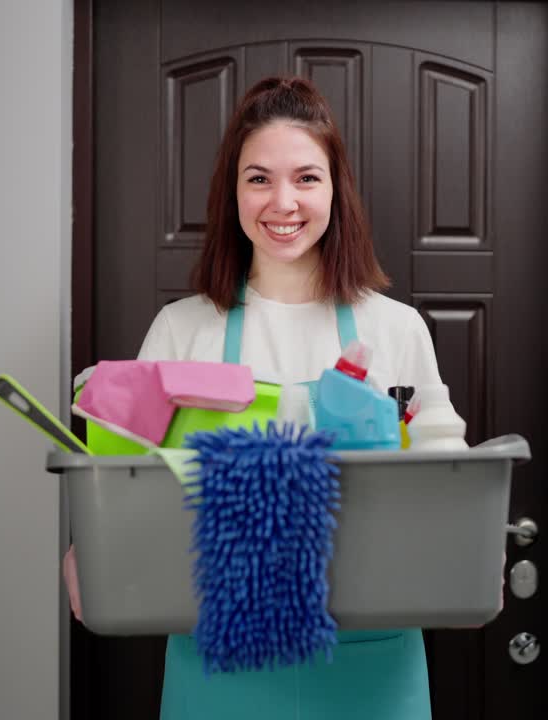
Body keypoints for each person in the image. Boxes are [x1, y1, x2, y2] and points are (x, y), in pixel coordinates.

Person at [69, 76, 447, 719]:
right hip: (221, 659)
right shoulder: (183, 329)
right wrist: (93, 548)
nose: (283, 202)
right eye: (258, 178)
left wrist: (470, 540)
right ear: (232, 193)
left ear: (336, 189)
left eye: (306, 177)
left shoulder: (394, 328)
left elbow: (441, 455)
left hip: (370, 661)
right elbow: (129, 478)